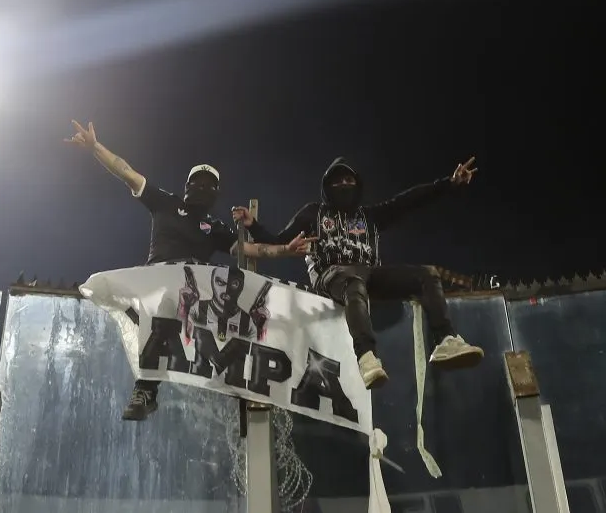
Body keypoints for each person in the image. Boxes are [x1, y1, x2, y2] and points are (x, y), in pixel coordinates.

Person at [65, 120, 314, 420]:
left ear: (216, 193)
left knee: (229, 315)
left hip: (193, 297)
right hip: (157, 286)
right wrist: (95, 148)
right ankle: (147, 389)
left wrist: (286, 250)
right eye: (198, 181)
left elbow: (250, 250)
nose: (203, 187)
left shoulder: (215, 227)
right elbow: (126, 171)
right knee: (164, 314)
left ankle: (241, 383)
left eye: (210, 184)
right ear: (187, 185)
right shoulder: (165, 202)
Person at [235, 156, 484, 390]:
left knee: (428, 274)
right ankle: (366, 356)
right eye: (338, 181)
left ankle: (446, 340)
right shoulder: (314, 213)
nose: (344, 184)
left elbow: (408, 201)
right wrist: (253, 226)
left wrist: (448, 184)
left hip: (369, 272)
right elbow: (279, 239)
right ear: (327, 186)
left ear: (358, 185)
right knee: (353, 282)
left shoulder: (369, 216)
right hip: (331, 275)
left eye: (349, 180)